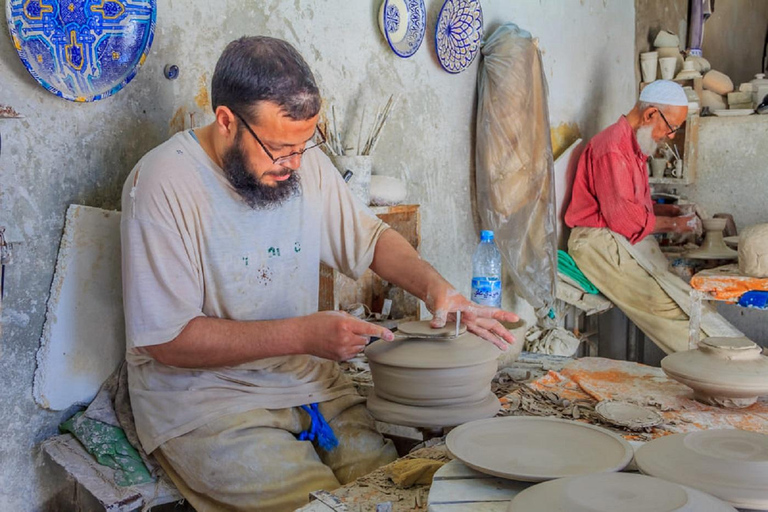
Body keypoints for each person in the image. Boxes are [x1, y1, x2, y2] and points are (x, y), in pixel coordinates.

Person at [120, 36, 518, 512]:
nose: (294, 164)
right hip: (207, 402)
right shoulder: (163, 184)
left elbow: (371, 240)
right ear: (226, 120)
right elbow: (167, 340)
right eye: (279, 149)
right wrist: (304, 334)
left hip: (308, 386)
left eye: (303, 146)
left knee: (395, 492)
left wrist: (438, 289)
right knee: (320, 507)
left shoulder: (303, 166)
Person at [564, 80, 739, 355]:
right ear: (650, 114)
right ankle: (716, 367)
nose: (670, 137)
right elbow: (624, 219)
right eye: (671, 128)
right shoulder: (612, 148)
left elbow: (634, 207)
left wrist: (670, 211)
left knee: (689, 298)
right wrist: (677, 224)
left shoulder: (634, 148)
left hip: (619, 236)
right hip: (597, 242)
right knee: (667, 305)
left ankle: (736, 356)